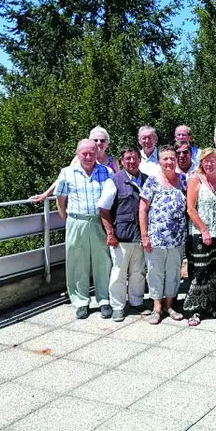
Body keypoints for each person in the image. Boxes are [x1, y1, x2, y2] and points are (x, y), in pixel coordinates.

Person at [54, 139, 113, 319]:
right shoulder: (67, 172)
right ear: (77, 153)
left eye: (91, 153)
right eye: (84, 153)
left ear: (97, 153)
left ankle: (104, 300)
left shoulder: (106, 171)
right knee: (77, 262)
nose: (88, 157)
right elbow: (60, 201)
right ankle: (81, 301)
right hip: (76, 221)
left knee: (103, 261)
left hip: (98, 221)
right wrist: (68, 221)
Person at [97, 146, 149, 322]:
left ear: (140, 159)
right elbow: (104, 209)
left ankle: (136, 302)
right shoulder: (114, 181)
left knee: (138, 272)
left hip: (141, 236)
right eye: (128, 158)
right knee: (118, 273)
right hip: (122, 236)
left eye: (134, 158)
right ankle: (117, 306)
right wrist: (110, 233)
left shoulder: (147, 180)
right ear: (122, 161)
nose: (132, 161)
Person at [139, 145, 187, 325]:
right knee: (155, 272)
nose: (169, 162)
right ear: (159, 161)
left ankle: (170, 305)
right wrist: (144, 235)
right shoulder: (152, 181)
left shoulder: (183, 180)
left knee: (174, 272)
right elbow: (143, 209)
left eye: (172, 159)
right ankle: (156, 307)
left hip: (177, 238)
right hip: (156, 237)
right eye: (165, 158)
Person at [184, 148, 216, 326]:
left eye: (213, 160)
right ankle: (194, 309)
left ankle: (211, 305)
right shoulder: (195, 180)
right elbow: (190, 208)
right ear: (201, 162)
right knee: (201, 271)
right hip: (200, 233)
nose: (210, 163)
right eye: (206, 160)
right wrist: (204, 230)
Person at [29, 126, 116, 203]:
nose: (99, 143)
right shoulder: (79, 159)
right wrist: (45, 194)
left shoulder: (112, 161)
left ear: (107, 144)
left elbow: (118, 182)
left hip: (107, 206)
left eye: (102, 140)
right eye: (95, 140)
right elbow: (64, 178)